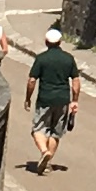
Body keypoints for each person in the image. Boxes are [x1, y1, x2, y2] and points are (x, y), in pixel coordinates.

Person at [25, 29, 79, 174]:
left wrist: (28, 98)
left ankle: (44, 152)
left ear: (46, 42)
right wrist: (75, 100)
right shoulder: (68, 59)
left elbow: (32, 80)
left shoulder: (41, 59)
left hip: (45, 98)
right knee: (56, 132)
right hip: (63, 99)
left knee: (38, 130)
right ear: (60, 42)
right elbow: (75, 81)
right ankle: (48, 164)